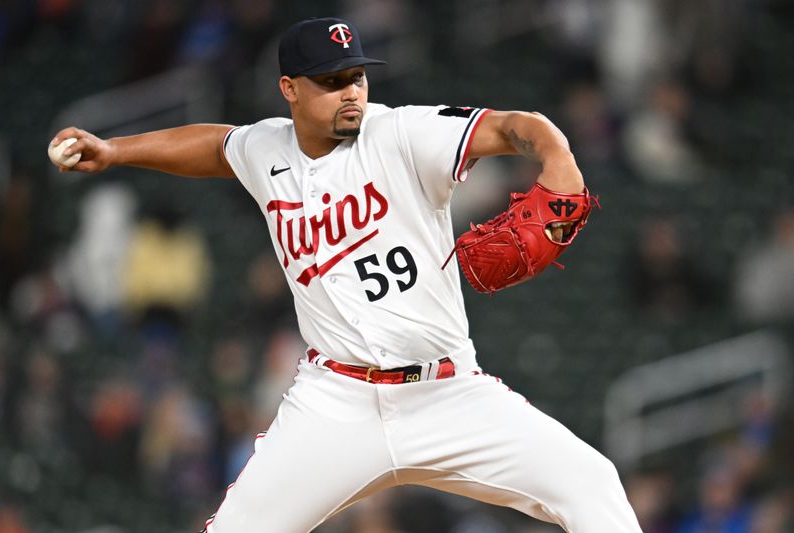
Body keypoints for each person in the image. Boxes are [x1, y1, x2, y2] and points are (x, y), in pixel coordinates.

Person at [49, 17, 641, 533]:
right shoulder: (267, 150)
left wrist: (556, 152)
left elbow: (515, 125)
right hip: (336, 404)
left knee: (592, 484)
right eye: (331, 82)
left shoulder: (403, 133)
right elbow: (214, 144)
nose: (350, 93)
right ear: (290, 89)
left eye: (356, 76)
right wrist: (117, 150)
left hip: (447, 393)